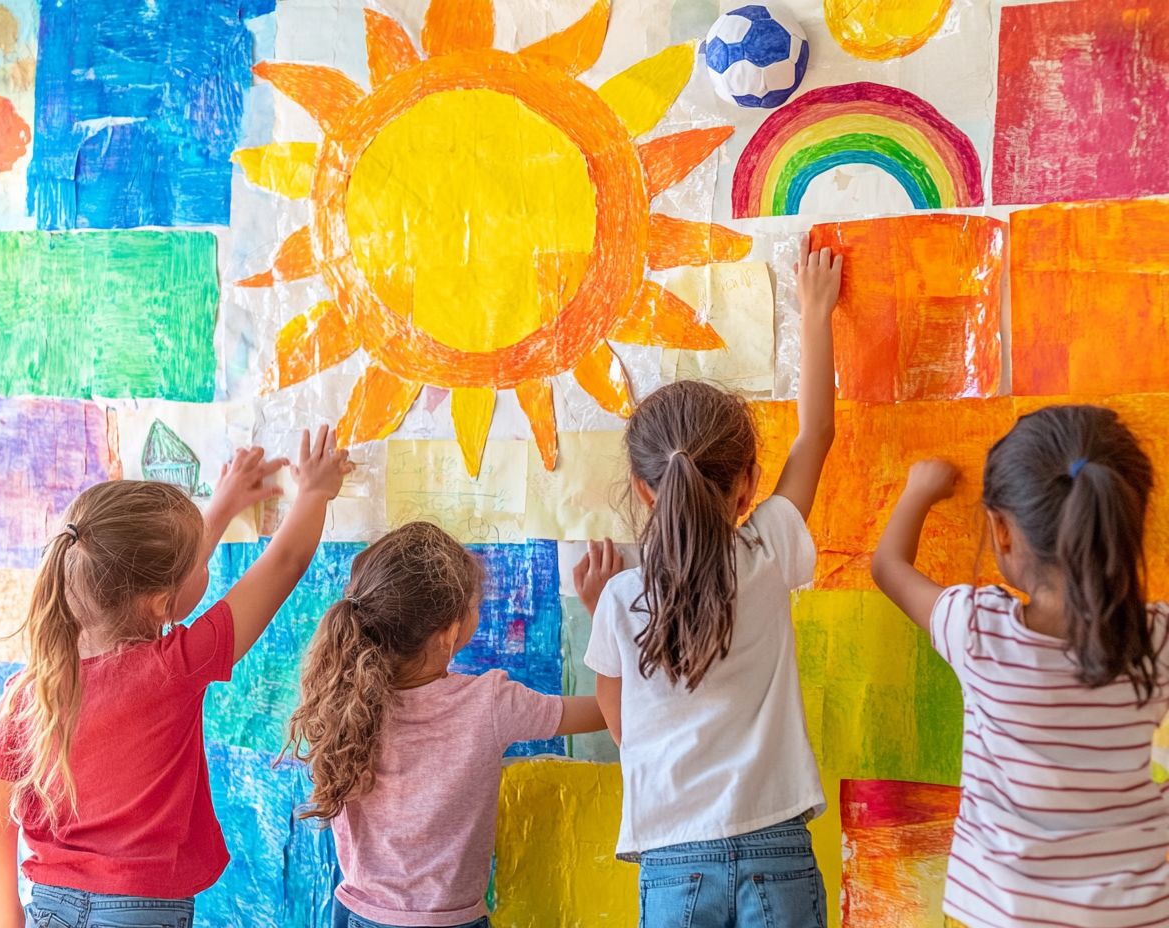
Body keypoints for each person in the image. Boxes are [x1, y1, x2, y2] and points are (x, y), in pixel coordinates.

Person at [0, 428, 352, 928]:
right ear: (159, 601)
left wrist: (221, 505)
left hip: (49, 906)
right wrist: (315, 492)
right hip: (139, 913)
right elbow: (284, 561)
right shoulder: (174, 667)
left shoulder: (28, 693)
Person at [581, 241, 843, 927]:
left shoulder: (619, 601)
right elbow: (816, 433)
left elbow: (623, 728)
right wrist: (815, 311)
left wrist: (603, 614)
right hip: (778, 847)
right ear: (748, 486)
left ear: (642, 491)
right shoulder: (769, 550)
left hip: (674, 864)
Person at [871, 405, 1169, 928]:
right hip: (1140, 910)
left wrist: (920, 488)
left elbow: (889, 567)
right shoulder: (1157, 639)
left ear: (1002, 532)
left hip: (1007, 916)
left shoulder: (979, 631)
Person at [284, 521, 610, 928]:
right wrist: (603, 614)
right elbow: (607, 710)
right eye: (476, 605)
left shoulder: (342, 702)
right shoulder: (489, 704)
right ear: (450, 632)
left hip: (357, 915)